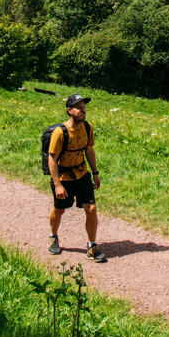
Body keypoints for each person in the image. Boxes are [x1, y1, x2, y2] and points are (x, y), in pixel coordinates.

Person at [47, 94, 105, 262]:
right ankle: (53, 236)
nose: (83, 110)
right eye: (79, 107)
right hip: (64, 177)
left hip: (82, 174)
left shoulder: (87, 128)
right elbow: (52, 158)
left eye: (84, 107)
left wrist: (95, 173)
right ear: (69, 110)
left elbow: (89, 150)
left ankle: (92, 246)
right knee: (59, 210)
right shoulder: (60, 132)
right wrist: (57, 185)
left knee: (91, 209)